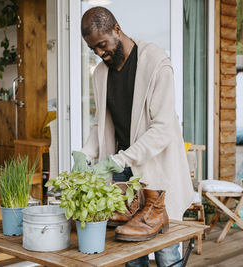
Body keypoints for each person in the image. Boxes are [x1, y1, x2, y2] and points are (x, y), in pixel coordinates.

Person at [72, 6, 195, 267]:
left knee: (166, 251)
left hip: (156, 170)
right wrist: (85, 152)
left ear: (117, 29)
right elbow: (100, 123)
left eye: (102, 45)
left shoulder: (156, 62)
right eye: (93, 49)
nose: (99, 53)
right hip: (122, 173)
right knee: (128, 252)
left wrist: (119, 160)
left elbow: (162, 128)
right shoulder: (101, 73)